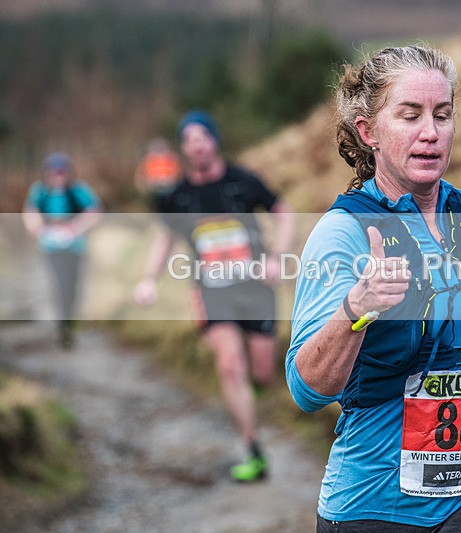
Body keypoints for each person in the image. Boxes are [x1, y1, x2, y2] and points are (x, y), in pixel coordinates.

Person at [287, 45, 461, 532]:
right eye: (410, 115)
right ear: (368, 131)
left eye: (442, 114)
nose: (430, 133)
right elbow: (307, 389)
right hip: (375, 500)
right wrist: (358, 307)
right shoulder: (343, 235)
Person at [133, 110, 294, 483]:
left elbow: (283, 213)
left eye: (203, 136)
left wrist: (276, 258)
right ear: (184, 148)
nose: (198, 145)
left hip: (256, 290)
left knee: (263, 373)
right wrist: (148, 279)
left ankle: (252, 400)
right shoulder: (178, 196)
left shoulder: (243, 180)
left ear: (214, 141)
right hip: (210, 290)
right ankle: (254, 451)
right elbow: (165, 239)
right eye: (189, 140)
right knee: (230, 366)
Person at [22, 152, 102, 348]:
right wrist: (41, 229)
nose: (58, 177)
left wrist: (76, 228)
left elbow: (95, 211)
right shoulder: (40, 191)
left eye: (61, 173)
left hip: (75, 247)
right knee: (58, 285)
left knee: (73, 287)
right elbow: (30, 214)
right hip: (51, 248)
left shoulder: (78, 190)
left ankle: (70, 321)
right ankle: (62, 325)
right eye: (54, 173)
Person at [134, 137, 182, 202]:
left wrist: (169, 180)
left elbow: (177, 176)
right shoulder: (148, 160)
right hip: (152, 189)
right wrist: (144, 186)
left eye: (162, 149)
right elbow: (140, 177)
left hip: (169, 189)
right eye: (157, 149)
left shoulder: (172, 159)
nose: (159, 153)